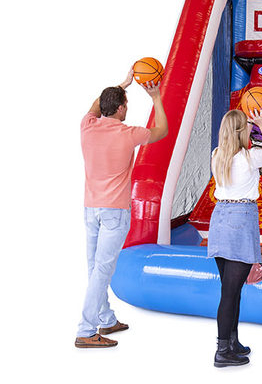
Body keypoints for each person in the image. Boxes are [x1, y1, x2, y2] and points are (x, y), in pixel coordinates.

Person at [75, 69, 168, 348]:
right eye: (125, 104)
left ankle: (105, 318)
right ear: (119, 109)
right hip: (114, 212)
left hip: (91, 208)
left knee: (95, 268)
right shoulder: (129, 133)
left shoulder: (87, 125)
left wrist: (122, 85)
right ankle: (85, 330)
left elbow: (97, 105)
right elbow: (162, 130)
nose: (127, 108)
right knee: (102, 271)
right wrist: (156, 97)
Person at [208, 108, 262, 367]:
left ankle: (232, 342)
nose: (251, 127)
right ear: (241, 130)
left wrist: (250, 125)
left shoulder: (217, 155)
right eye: (247, 125)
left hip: (220, 218)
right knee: (230, 293)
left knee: (231, 289)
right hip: (240, 217)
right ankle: (222, 350)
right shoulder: (250, 157)